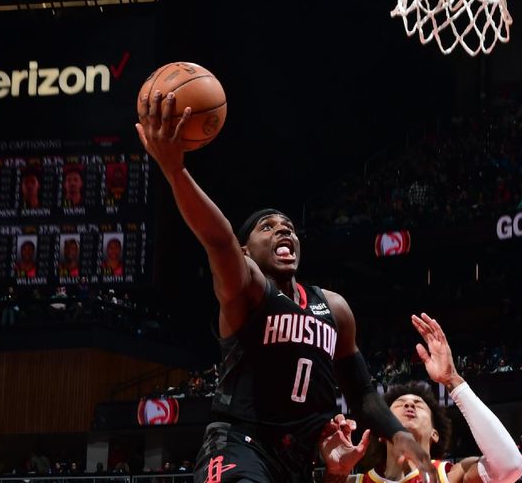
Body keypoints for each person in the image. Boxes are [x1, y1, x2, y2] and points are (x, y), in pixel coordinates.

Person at [135, 90, 435, 483]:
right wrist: (176, 172)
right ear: (246, 251)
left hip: (297, 461)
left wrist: (396, 435)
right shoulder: (247, 290)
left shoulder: (335, 308)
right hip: (238, 445)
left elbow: (361, 393)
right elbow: (219, 240)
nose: (283, 229)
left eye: (289, 227)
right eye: (267, 226)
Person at [318, 313, 522, 483]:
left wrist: (452, 380)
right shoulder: (353, 481)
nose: (409, 404)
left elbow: (510, 466)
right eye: (399, 404)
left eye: (419, 405)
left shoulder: (451, 476)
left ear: (434, 434)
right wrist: (335, 474)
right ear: (382, 429)